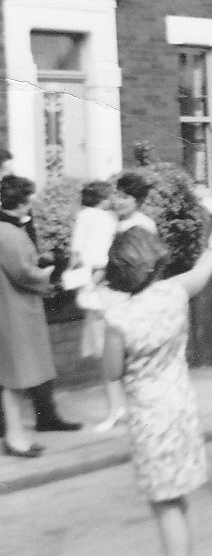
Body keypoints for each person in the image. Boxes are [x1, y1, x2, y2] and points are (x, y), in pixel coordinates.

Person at [103, 219, 212, 556]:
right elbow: (204, 270)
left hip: (149, 419)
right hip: (180, 408)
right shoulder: (175, 292)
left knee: (164, 505)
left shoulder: (118, 319)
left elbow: (112, 370)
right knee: (176, 498)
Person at [0, 175, 55, 457]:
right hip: (14, 312)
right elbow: (23, 272)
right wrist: (47, 273)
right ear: (20, 204)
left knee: (13, 379)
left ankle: (15, 435)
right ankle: (15, 438)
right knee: (14, 379)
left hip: (9, 311)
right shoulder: (8, 232)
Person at [67, 180, 126, 431]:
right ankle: (121, 407)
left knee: (107, 353)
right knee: (120, 351)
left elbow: (77, 255)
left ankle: (116, 408)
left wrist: (81, 281)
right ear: (102, 199)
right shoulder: (105, 218)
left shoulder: (86, 217)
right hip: (110, 288)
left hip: (97, 291)